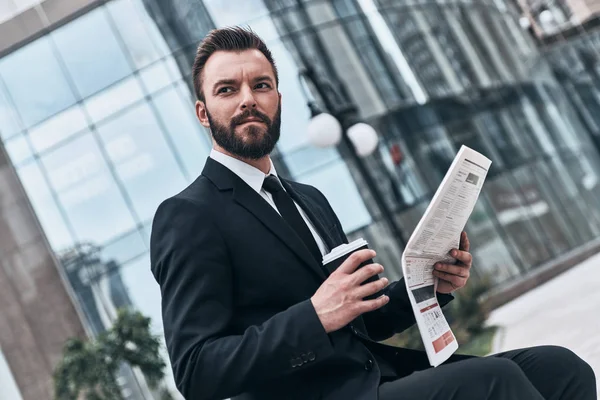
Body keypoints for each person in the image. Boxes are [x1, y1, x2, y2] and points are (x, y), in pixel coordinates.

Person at [150, 27, 596, 400]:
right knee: (494, 383)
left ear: (278, 100)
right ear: (204, 113)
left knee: (561, 369)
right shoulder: (188, 216)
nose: (248, 99)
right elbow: (196, 370)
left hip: (376, 379)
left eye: (261, 85)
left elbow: (359, 319)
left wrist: (429, 284)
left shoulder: (308, 199)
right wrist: (314, 316)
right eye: (228, 90)